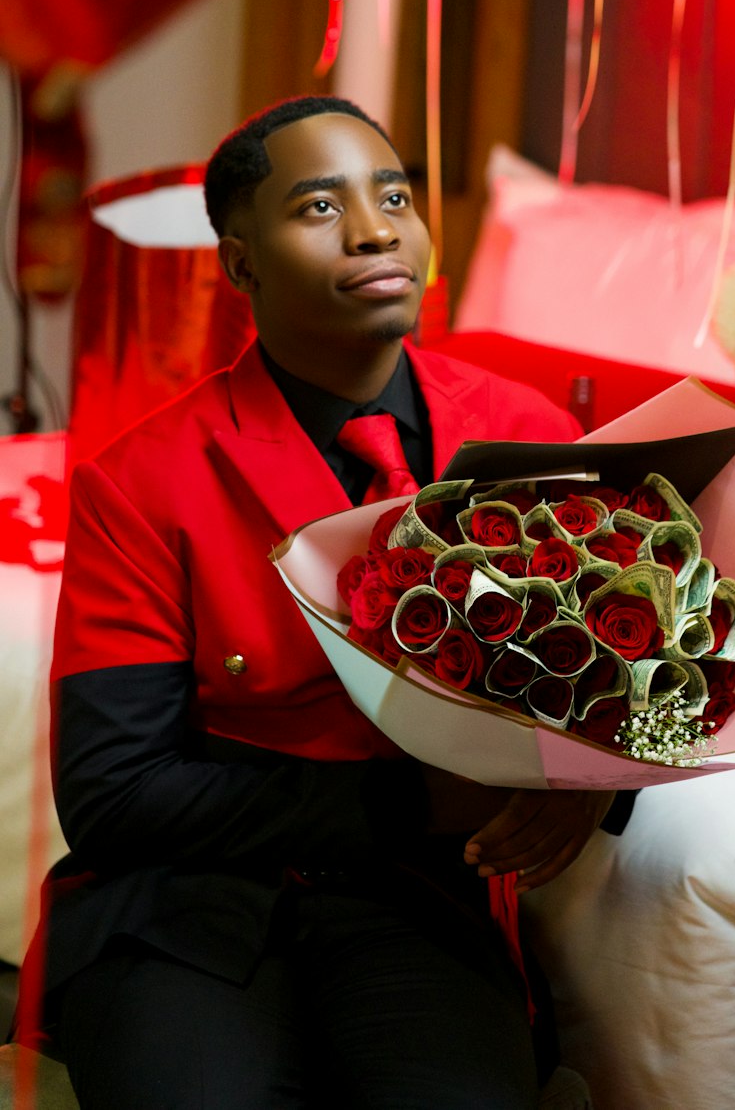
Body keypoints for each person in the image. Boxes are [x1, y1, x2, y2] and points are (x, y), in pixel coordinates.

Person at [21, 95, 625, 1110]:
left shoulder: (518, 433)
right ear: (242, 263)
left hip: (416, 904)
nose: (374, 226)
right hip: (179, 908)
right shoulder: (142, 475)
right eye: (317, 204)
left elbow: (616, 661)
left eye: (393, 194)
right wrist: (410, 803)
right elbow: (114, 792)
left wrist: (596, 779)